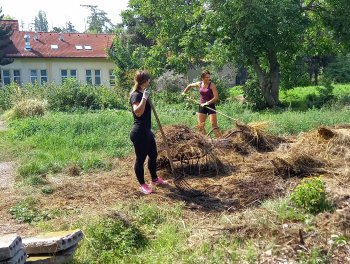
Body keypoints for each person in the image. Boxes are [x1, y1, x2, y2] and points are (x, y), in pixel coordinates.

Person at [130, 70, 167, 194]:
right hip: (139, 133)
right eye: (148, 80)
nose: (149, 81)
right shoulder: (136, 95)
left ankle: (155, 179)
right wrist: (144, 98)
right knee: (140, 159)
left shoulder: (142, 92)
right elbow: (138, 112)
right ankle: (142, 184)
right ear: (144, 81)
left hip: (147, 132)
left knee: (153, 155)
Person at [182, 70, 222, 137]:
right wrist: (184, 92)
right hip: (202, 106)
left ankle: (221, 141)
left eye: (209, 77)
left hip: (210, 106)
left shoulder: (212, 85)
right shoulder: (199, 84)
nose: (208, 79)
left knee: (214, 125)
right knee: (201, 125)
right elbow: (189, 85)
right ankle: (206, 140)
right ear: (202, 78)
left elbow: (216, 97)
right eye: (206, 77)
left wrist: (207, 103)